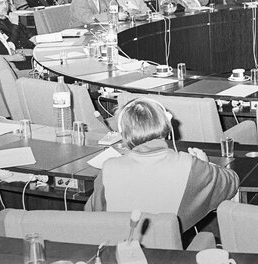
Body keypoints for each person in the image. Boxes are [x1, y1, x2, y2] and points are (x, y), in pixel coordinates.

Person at [86, 97, 239, 231]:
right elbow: (231, 182)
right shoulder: (190, 165)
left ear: (122, 133)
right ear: (167, 126)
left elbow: (92, 215)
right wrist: (206, 164)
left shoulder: (109, 168)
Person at [0, 0, 34, 69]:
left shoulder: (10, 16)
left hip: (31, 51)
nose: (5, 6)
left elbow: (29, 35)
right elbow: (9, 47)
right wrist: (15, 25)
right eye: (0, 3)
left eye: (6, 2)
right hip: (18, 60)